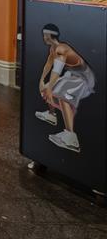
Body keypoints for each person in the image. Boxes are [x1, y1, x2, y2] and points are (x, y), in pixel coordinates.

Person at [35, 23, 96, 153]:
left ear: (50, 35)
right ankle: (51, 115)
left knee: (62, 96)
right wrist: (42, 81)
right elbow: (48, 65)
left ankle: (71, 138)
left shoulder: (61, 49)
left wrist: (50, 87)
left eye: (44, 35)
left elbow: (57, 70)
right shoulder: (53, 49)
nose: (43, 37)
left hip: (84, 78)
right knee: (46, 88)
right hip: (73, 76)